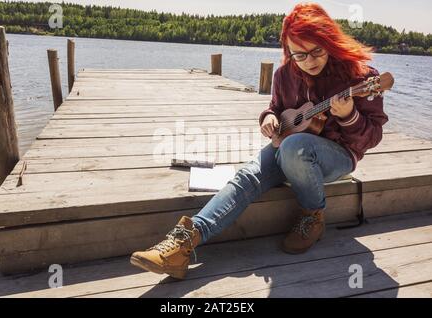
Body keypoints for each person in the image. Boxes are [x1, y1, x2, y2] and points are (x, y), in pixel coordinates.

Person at [130, 3, 389, 279]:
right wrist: (267, 117)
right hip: (288, 145)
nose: (309, 61)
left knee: (294, 147)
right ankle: (183, 244)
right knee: (247, 175)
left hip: (337, 156)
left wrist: (349, 115)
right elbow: (275, 108)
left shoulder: (360, 77)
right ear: (288, 50)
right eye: (299, 54)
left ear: (329, 41)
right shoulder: (283, 75)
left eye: (316, 51)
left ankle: (312, 216)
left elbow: (371, 138)